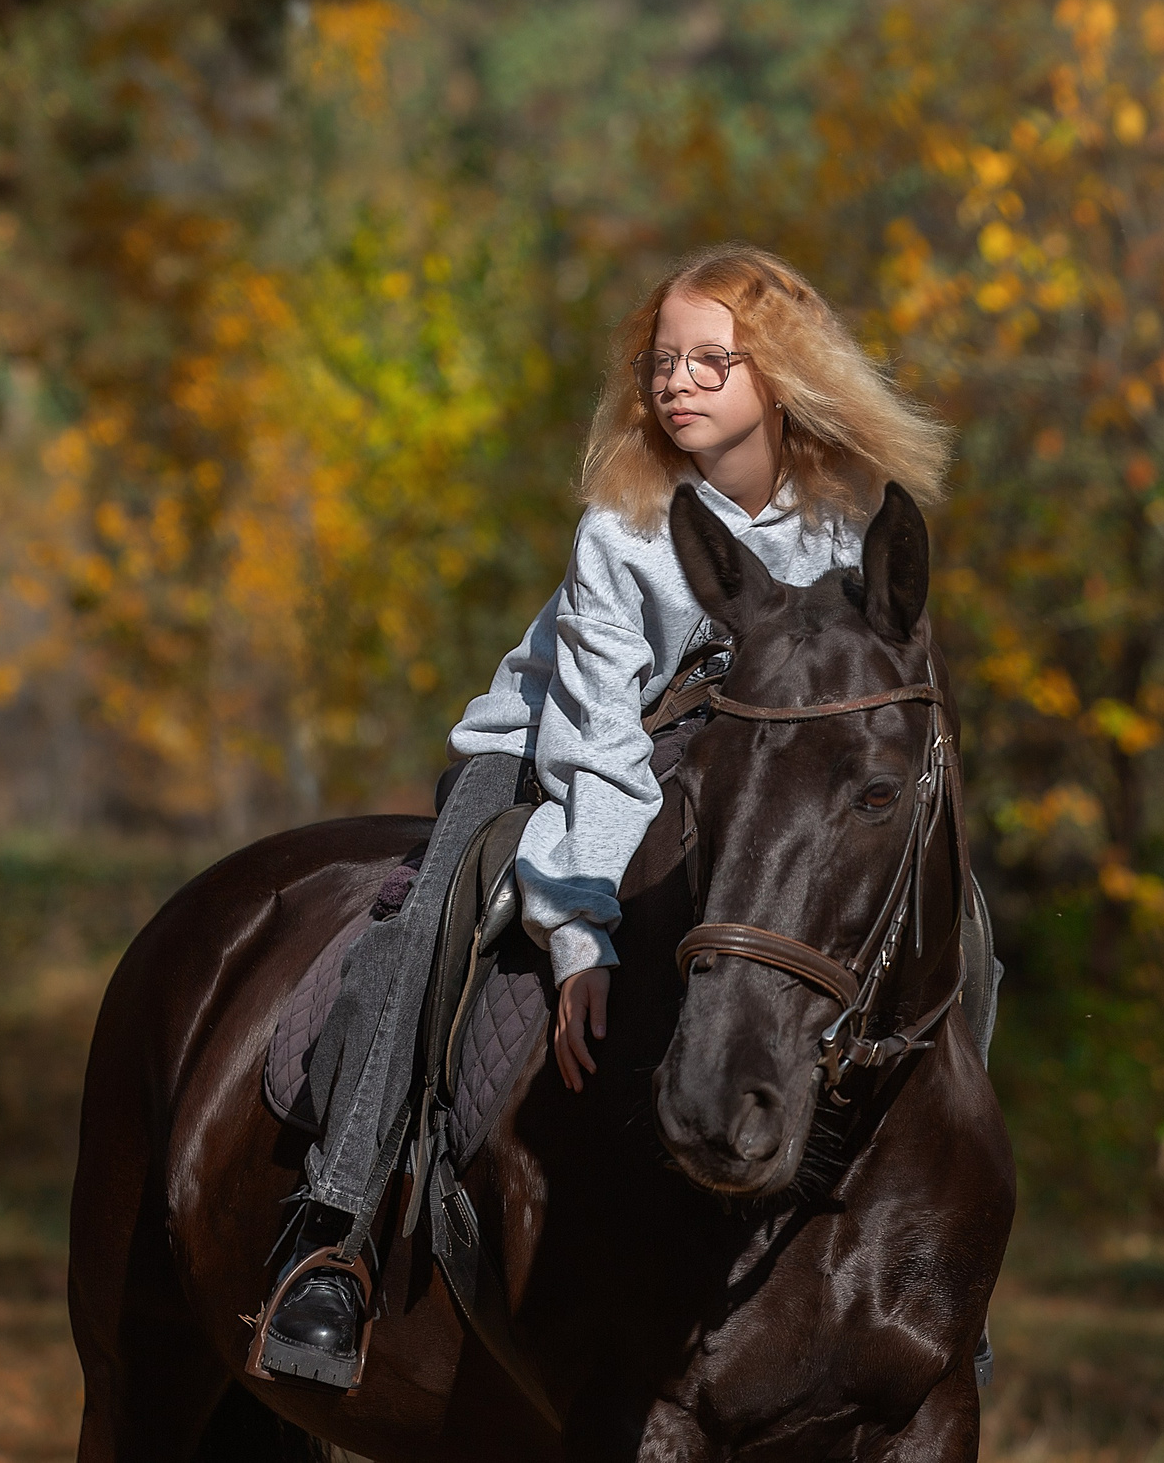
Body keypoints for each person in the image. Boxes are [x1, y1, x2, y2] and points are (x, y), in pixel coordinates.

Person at [253, 243, 951, 1385]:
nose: (675, 382)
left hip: (729, 769)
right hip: (550, 755)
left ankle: (936, 1264)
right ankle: (334, 1232)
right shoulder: (621, 532)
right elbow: (601, 749)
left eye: (710, 363)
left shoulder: (842, 525)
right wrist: (580, 934)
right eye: (662, 362)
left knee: (945, 918)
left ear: (780, 379)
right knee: (436, 920)